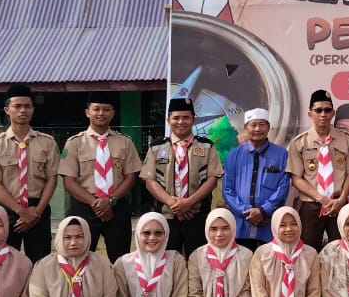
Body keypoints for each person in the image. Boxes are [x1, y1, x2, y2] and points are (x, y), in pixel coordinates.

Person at [0, 84, 62, 260]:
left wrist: (37, 212)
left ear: (33, 109)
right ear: (7, 110)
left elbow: (52, 179)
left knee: (40, 261)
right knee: (6, 262)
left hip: (38, 208)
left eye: (27, 106)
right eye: (17, 106)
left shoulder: (47, 142)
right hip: (8, 209)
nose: (22, 110)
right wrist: (21, 211)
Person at [60, 93, 142, 262]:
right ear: (87, 112)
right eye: (96, 109)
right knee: (79, 257)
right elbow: (68, 181)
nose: (101, 113)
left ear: (113, 113)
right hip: (85, 207)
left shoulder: (125, 142)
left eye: (106, 109)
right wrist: (96, 204)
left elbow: (130, 178)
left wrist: (109, 201)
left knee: (120, 259)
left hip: (117, 207)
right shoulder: (74, 143)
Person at [142, 97, 224, 257]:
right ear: (168, 121)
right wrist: (173, 203)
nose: (181, 122)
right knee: (166, 261)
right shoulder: (156, 148)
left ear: (194, 120)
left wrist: (188, 203)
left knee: (198, 260)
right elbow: (150, 181)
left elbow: (212, 179)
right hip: (166, 216)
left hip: (197, 215)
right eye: (176, 118)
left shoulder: (207, 146)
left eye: (186, 117)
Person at [288, 89, 349, 251]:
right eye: (318, 110)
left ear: (333, 113)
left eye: (327, 110)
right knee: (308, 251)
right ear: (310, 114)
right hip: (310, 205)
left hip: (338, 203)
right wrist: (321, 198)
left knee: (342, 251)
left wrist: (342, 198)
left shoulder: (346, 139)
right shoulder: (300, 142)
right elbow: (296, 178)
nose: (323, 114)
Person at [221, 108, 290, 252]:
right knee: (242, 261)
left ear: (269, 127)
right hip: (240, 225)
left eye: (262, 124)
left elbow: (283, 187)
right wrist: (246, 212)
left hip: (269, 223)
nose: (257, 129)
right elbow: (227, 190)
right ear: (246, 128)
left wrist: (263, 211)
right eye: (253, 125)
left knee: (269, 262)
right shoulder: (233, 155)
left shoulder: (281, 154)